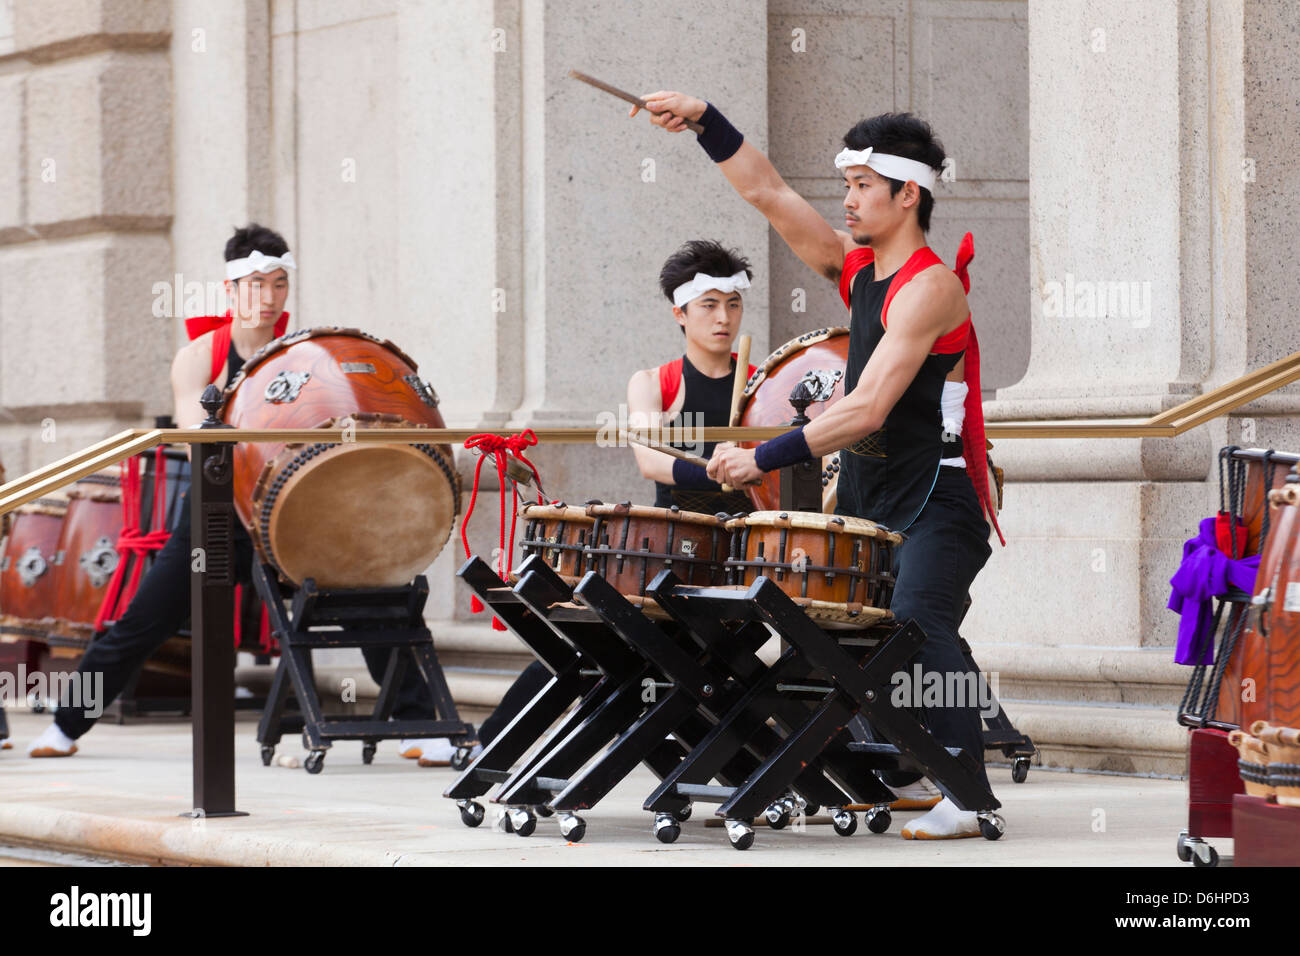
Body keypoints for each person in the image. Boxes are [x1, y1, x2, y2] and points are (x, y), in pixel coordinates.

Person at [633, 92, 1004, 838]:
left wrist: (760, 457)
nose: (850, 198)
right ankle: (876, 767)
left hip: (941, 493)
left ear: (908, 194)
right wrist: (705, 120)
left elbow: (865, 409)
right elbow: (768, 192)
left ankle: (968, 789)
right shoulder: (856, 266)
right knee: (832, 627)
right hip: (872, 486)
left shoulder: (931, 286)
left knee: (917, 617)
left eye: (865, 186)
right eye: (848, 185)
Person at [27, 224, 452, 762]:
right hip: (218, 510)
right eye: (255, 285)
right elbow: (196, 446)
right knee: (145, 618)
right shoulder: (200, 358)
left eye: (279, 284)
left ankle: (419, 727)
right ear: (230, 291)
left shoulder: (306, 355)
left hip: (297, 508)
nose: (268, 297)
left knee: (372, 596)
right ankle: (65, 727)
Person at [463, 241, 757, 760]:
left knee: (723, 660)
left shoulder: (758, 385)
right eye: (708, 305)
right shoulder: (655, 383)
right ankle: (490, 748)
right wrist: (721, 466)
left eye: (733, 304)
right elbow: (650, 459)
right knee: (589, 639)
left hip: (745, 552)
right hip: (672, 549)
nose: (723, 318)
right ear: (680, 314)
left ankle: (737, 763)